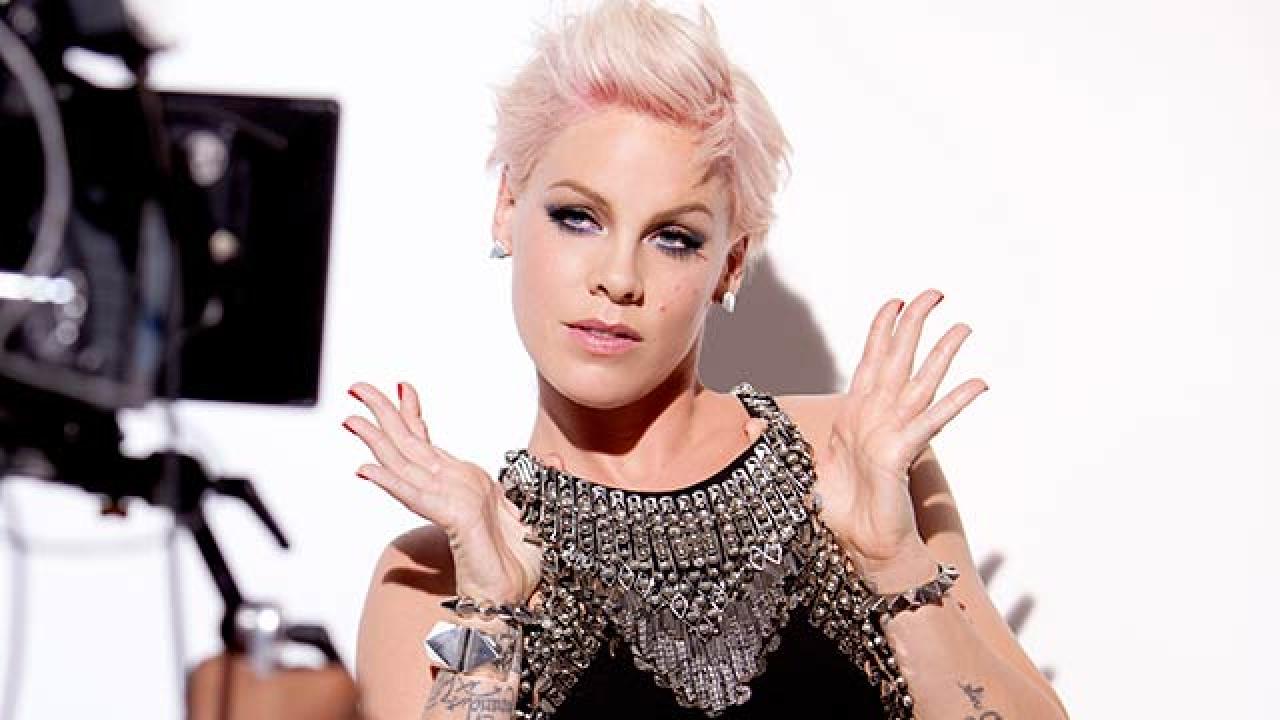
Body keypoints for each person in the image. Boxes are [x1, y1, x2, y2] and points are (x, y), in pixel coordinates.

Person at [346, 1, 1068, 718]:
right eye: (578, 217)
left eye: (674, 238)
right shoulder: (435, 570)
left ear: (730, 262)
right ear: (508, 207)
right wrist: (490, 608)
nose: (619, 278)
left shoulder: (848, 457)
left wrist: (894, 563)